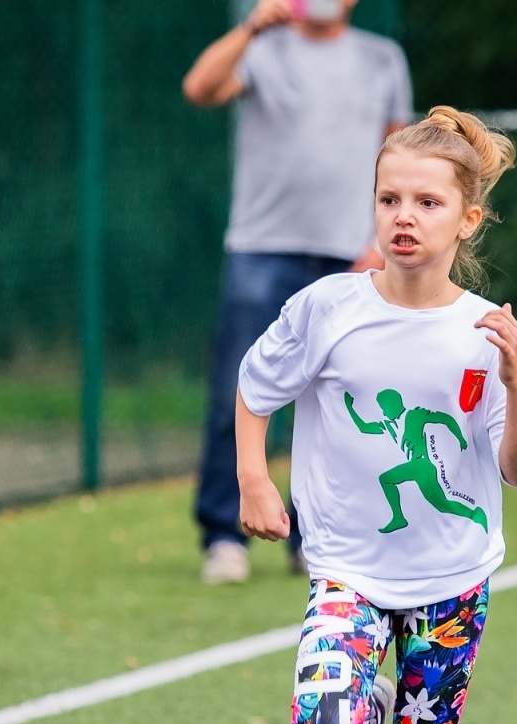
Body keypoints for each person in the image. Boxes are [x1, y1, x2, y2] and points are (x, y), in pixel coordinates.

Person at [236, 106, 517, 724]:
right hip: (346, 567)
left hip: (452, 584)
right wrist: (254, 481)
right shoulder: (329, 309)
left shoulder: (490, 336)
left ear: (468, 219)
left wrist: (515, 384)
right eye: (389, 198)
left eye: (425, 200)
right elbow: (256, 384)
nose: (403, 216)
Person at [182, 0, 413, 585]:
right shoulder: (261, 49)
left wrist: (376, 242)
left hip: (349, 254)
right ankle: (223, 536)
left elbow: (400, 159)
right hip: (262, 249)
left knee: (338, 404)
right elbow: (200, 88)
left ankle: (314, 537)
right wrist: (251, 27)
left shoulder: (383, 59)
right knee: (237, 389)